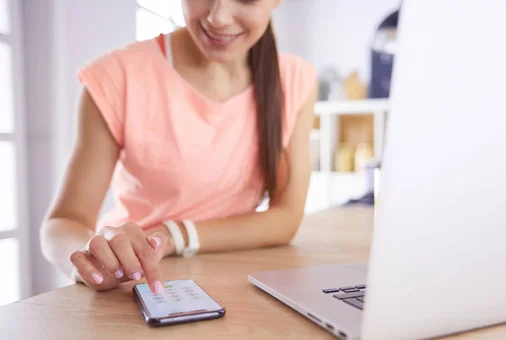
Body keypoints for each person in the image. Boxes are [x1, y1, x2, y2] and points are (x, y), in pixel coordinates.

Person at [40, 0, 318, 295]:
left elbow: (286, 217)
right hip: (132, 287)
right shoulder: (117, 76)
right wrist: (90, 257)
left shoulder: (294, 81)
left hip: (234, 288)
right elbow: (63, 223)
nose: (219, 17)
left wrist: (173, 235)